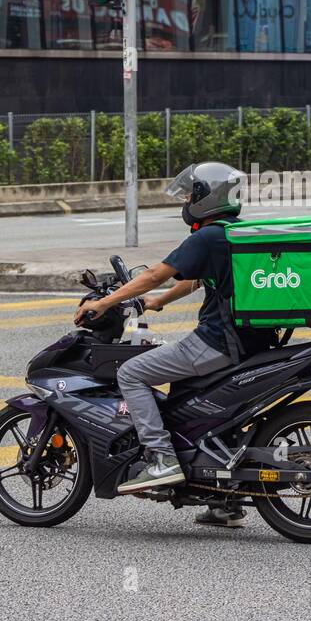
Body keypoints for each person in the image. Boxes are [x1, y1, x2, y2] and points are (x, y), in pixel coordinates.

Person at [72, 161, 271, 528]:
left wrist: (104, 303)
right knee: (190, 400)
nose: (185, 200)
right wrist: (158, 301)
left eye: (189, 194)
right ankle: (224, 502)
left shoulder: (207, 237)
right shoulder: (238, 233)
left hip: (216, 343)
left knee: (132, 373)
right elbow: (197, 278)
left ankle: (161, 459)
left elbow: (152, 275)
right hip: (252, 342)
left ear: (203, 199)